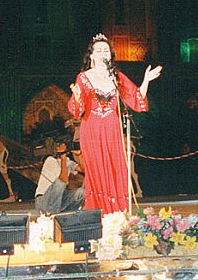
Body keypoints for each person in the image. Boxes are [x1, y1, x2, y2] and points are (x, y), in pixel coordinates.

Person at [68, 33, 162, 214]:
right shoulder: (84, 77)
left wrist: (146, 80)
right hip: (92, 129)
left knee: (115, 168)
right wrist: (78, 96)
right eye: (99, 50)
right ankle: (99, 213)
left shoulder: (116, 76)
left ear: (110, 55)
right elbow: (77, 109)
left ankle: (118, 213)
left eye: (106, 50)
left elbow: (135, 98)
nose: (103, 52)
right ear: (92, 55)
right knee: (97, 170)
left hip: (113, 128)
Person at [34, 141, 84, 215]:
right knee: (60, 184)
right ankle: (51, 215)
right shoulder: (50, 160)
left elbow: (84, 169)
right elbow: (63, 180)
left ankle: (68, 214)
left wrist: (79, 155)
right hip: (43, 201)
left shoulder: (67, 161)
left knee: (82, 192)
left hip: (59, 200)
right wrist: (62, 157)